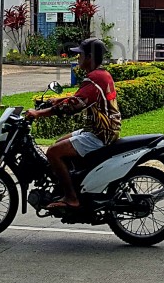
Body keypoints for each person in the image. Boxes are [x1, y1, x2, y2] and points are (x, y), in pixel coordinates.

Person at [24, 37, 122, 209]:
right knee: (58, 144)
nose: (78, 58)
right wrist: (59, 99)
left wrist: (38, 113)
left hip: (100, 134)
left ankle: (71, 198)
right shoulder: (101, 75)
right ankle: (77, 183)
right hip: (99, 130)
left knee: (54, 152)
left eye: (81, 55)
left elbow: (72, 107)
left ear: (89, 57)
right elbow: (81, 98)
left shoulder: (94, 79)